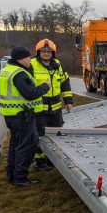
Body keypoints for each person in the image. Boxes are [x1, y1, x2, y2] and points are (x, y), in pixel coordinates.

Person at [0, 47, 50, 187]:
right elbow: (31, 93)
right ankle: (20, 178)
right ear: (21, 59)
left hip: (12, 115)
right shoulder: (19, 74)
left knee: (15, 145)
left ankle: (12, 174)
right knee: (26, 146)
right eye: (28, 57)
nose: (30, 60)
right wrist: (46, 86)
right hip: (22, 116)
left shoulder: (7, 70)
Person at [30, 39, 73, 171]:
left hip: (55, 107)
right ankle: (39, 160)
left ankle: (52, 159)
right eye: (43, 51)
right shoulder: (31, 65)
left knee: (56, 133)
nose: (46, 54)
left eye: (49, 52)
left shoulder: (58, 65)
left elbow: (65, 83)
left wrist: (68, 101)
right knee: (40, 135)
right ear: (38, 52)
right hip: (39, 107)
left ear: (54, 53)